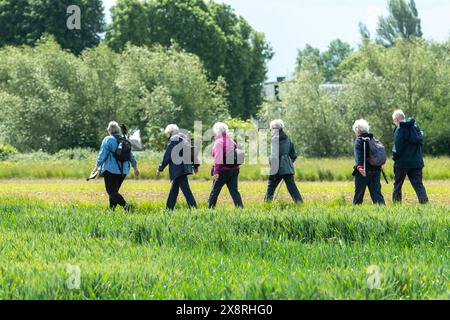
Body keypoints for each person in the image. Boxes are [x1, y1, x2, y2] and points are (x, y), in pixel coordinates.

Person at [95, 121, 140, 211]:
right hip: (123, 171)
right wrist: (135, 167)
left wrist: (97, 166)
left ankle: (127, 206)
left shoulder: (108, 139)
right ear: (118, 130)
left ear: (109, 130)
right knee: (114, 192)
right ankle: (111, 210)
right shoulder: (124, 139)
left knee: (111, 192)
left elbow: (102, 155)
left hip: (110, 170)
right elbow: (131, 155)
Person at [157, 124, 198, 210]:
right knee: (174, 190)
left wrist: (160, 168)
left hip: (178, 169)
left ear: (170, 132)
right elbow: (192, 151)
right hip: (185, 168)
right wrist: (195, 165)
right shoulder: (184, 137)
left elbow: (168, 155)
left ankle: (194, 208)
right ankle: (169, 209)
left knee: (186, 190)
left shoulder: (173, 139)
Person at [392, 110, 429, 204]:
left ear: (397, 119)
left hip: (402, 163)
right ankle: (425, 204)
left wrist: (395, 157)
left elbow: (398, 147)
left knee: (397, 185)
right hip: (416, 163)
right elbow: (420, 143)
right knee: (418, 185)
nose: (394, 123)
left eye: (394, 120)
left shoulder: (399, 129)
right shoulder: (416, 128)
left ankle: (396, 205)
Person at [264, 119, 303, 203]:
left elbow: (274, 156)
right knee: (292, 188)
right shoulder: (288, 139)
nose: (271, 130)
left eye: (271, 129)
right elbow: (294, 155)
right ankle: (300, 204)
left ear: (275, 129)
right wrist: (288, 163)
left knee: (271, 187)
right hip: (288, 168)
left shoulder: (274, 139)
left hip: (277, 168)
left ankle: (267, 204)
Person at [207, 122, 244, 209]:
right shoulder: (231, 140)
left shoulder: (218, 142)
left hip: (223, 170)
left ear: (216, 131)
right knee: (234, 191)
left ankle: (209, 210)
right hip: (235, 170)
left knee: (214, 191)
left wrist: (216, 172)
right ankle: (240, 209)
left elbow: (218, 159)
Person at [351, 119, 385, 205]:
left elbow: (358, 156)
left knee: (358, 197)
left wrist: (360, 167)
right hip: (376, 171)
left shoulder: (359, 140)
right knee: (377, 196)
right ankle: (385, 214)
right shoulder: (373, 139)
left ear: (357, 130)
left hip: (363, 172)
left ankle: (355, 215)